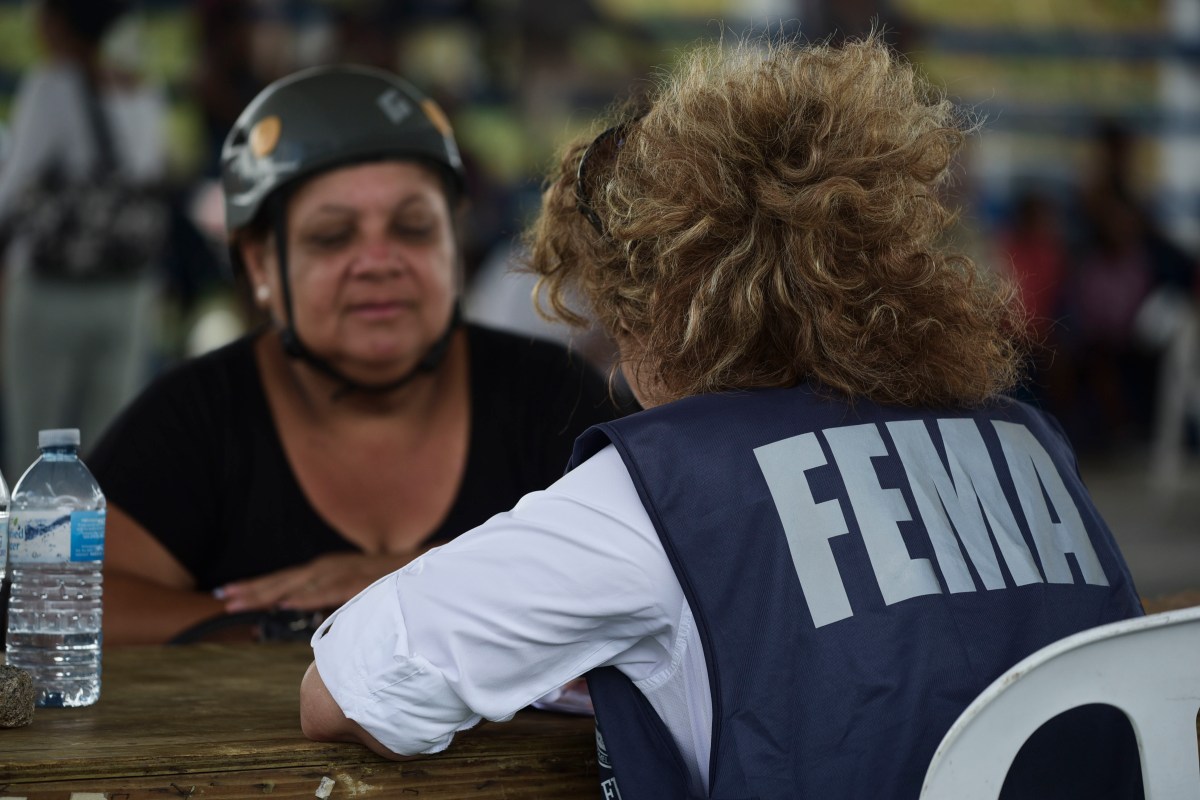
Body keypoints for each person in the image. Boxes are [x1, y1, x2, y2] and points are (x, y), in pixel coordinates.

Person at [300, 35, 1145, 799]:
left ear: (659, 304)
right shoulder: (1030, 447)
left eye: (613, 310)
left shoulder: (661, 487)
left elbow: (347, 691)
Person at [88, 65, 621, 645]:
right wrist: (301, 632)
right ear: (262, 265)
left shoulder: (554, 396)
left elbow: (653, 571)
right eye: (332, 236)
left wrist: (429, 577)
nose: (378, 261)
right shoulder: (193, 418)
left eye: (414, 228)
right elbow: (75, 602)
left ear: (455, 243)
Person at [0, 0, 166, 478]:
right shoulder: (144, 91)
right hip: (127, 290)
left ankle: (37, 555)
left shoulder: (51, 86)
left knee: (35, 453)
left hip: (51, 291)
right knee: (110, 448)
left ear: (59, 24)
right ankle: (102, 554)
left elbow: (11, 194)